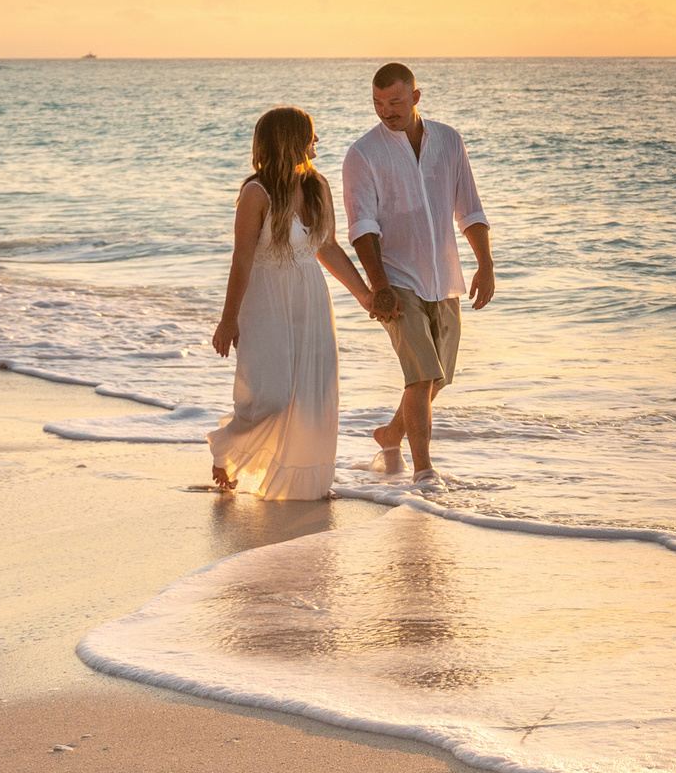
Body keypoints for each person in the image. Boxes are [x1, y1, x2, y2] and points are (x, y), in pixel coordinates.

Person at [208, 107, 380, 499]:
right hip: (266, 302)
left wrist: (366, 296)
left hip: (311, 302)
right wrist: (228, 320)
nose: (315, 142)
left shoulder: (317, 185)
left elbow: (329, 248)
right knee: (270, 396)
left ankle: (303, 489)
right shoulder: (256, 193)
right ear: (290, 141)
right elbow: (242, 260)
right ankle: (225, 446)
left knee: (311, 399)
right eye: (310, 134)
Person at [342, 62, 495, 479]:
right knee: (421, 374)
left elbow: (471, 209)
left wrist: (486, 264)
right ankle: (425, 473)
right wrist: (380, 286)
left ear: (415, 97)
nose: (386, 111)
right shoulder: (362, 154)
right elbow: (362, 227)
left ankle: (390, 435)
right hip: (396, 278)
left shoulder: (448, 141)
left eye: (394, 101)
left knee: (438, 378)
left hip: (444, 276)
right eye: (377, 103)